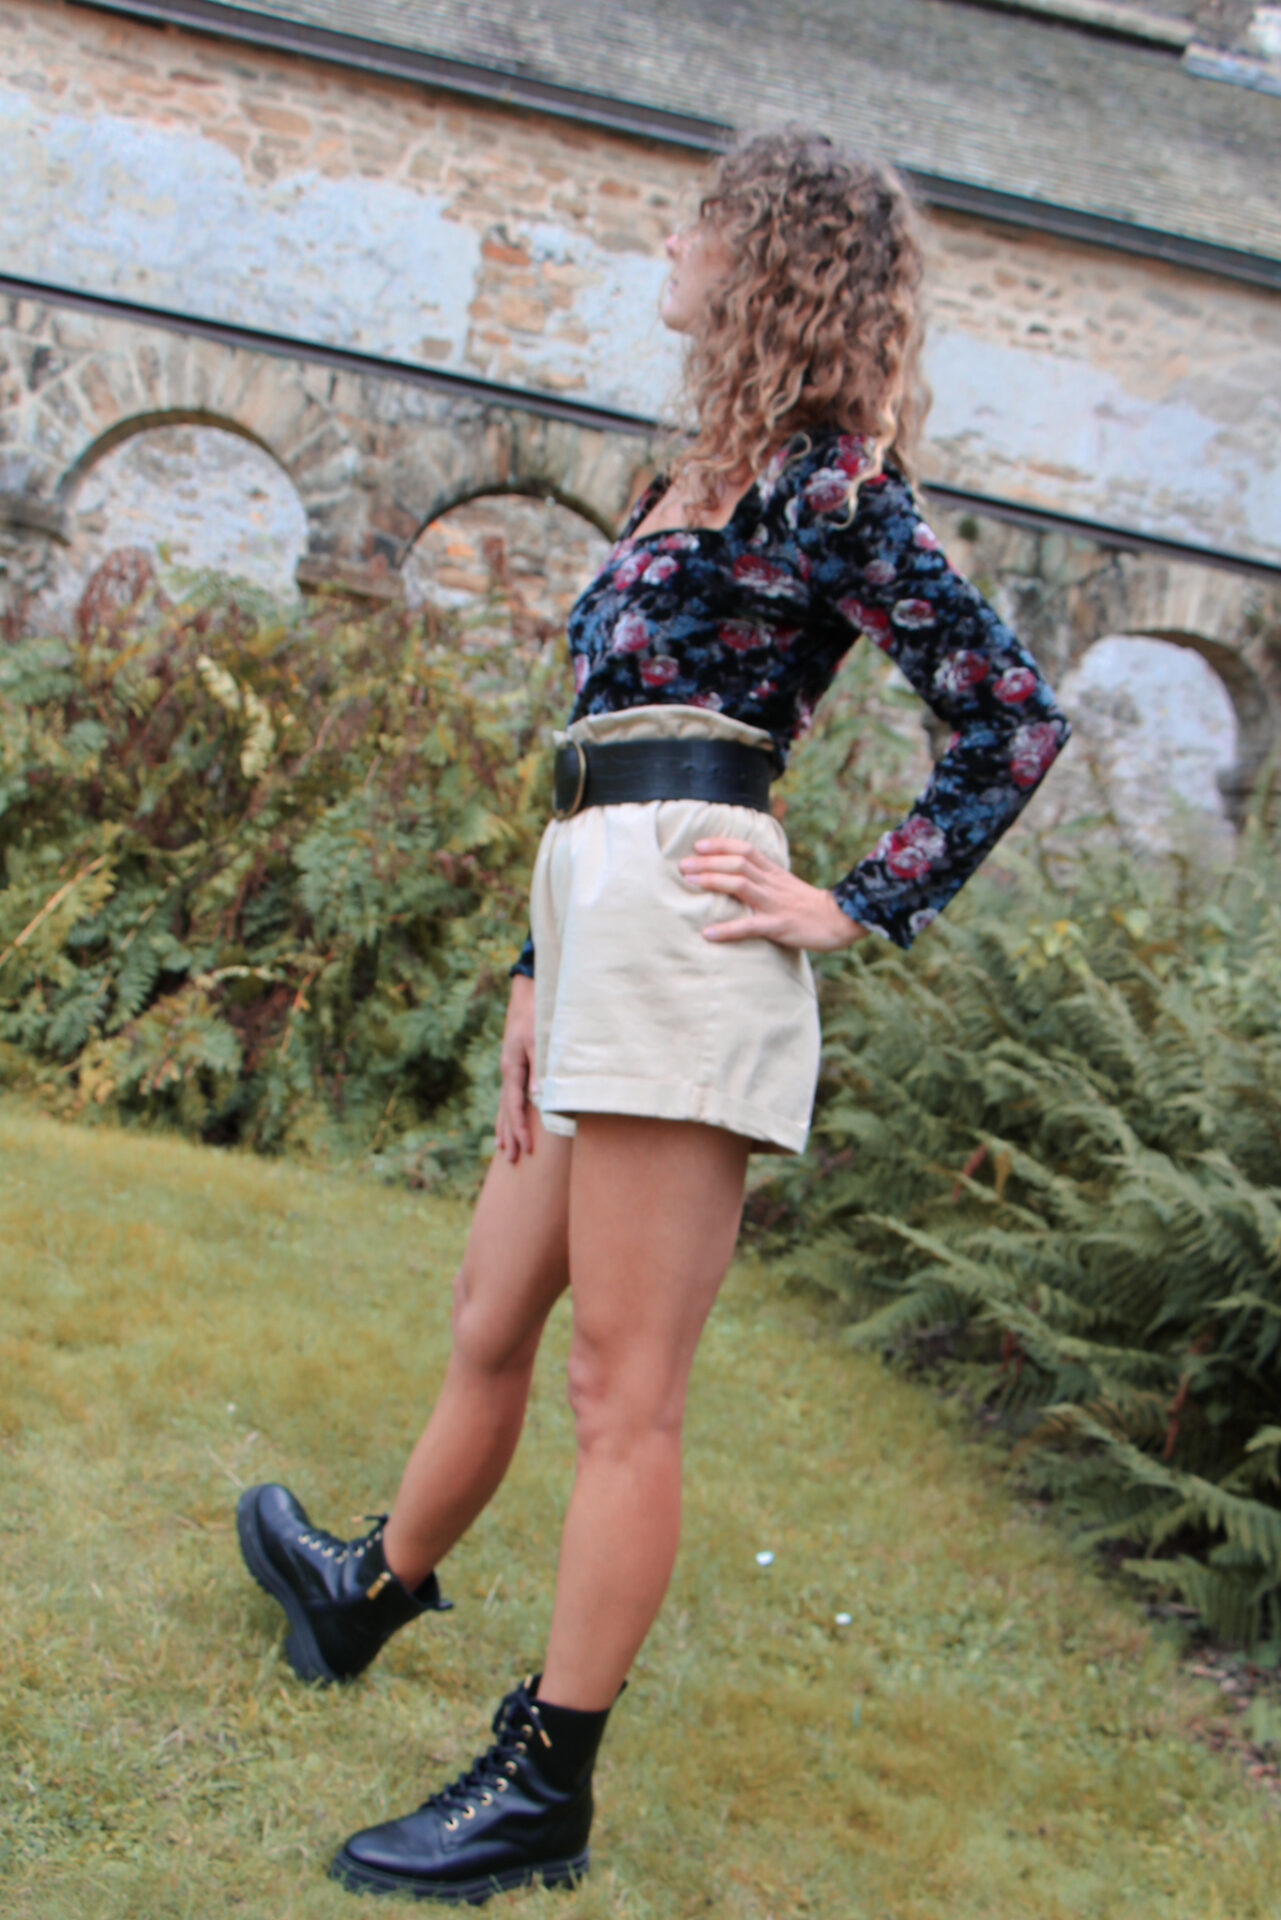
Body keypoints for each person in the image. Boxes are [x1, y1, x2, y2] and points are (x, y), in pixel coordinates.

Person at [236, 129, 1070, 1904]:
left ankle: (544, 1781)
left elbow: (1009, 716)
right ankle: (365, 1588)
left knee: (621, 1388)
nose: (666, 248)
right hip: (591, 909)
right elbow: (593, 744)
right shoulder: (684, 478)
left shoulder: (829, 489)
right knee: (489, 1311)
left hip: (691, 926)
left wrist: (853, 900)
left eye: (697, 223)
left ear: (768, 257)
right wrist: (533, 971)